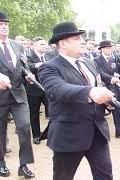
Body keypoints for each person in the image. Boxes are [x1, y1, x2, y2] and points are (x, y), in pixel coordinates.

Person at [38, 22, 114, 180]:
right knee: (63, 177)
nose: (83, 41)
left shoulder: (89, 62)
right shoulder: (49, 67)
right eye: (77, 38)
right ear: (62, 43)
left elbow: (99, 85)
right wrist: (90, 92)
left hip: (97, 131)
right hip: (69, 135)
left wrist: (107, 99)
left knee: (105, 175)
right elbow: (59, 89)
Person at [0, 11, 35, 178]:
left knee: (24, 127)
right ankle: (1, 162)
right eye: (0, 24)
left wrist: (27, 74)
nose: (4, 26)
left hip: (19, 95)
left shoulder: (17, 45)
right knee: (0, 130)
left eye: (6, 24)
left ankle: (24, 165)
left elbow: (22, 66)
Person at [94, 40, 120, 139]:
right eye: (108, 48)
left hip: (114, 88)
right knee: (100, 111)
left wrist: (118, 73)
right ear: (103, 49)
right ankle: (99, 133)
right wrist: (111, 78)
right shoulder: (97, 60)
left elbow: (116, 69)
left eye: (110, 48)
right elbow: (99, 72)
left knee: (118, 109)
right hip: (103, 88)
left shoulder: (113, 59)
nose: (110, 50)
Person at [26, 37, 49, 144]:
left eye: (45, 44)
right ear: (34, 45)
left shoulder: (48, 56)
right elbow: (27, 67)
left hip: (47, 89)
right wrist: (37, 65)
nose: (44, 46)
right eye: (42, 44)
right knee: (34, 113)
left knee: (53, 110)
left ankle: (51, 132)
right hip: (33, 89)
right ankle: (36, 135)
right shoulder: (28, 56)